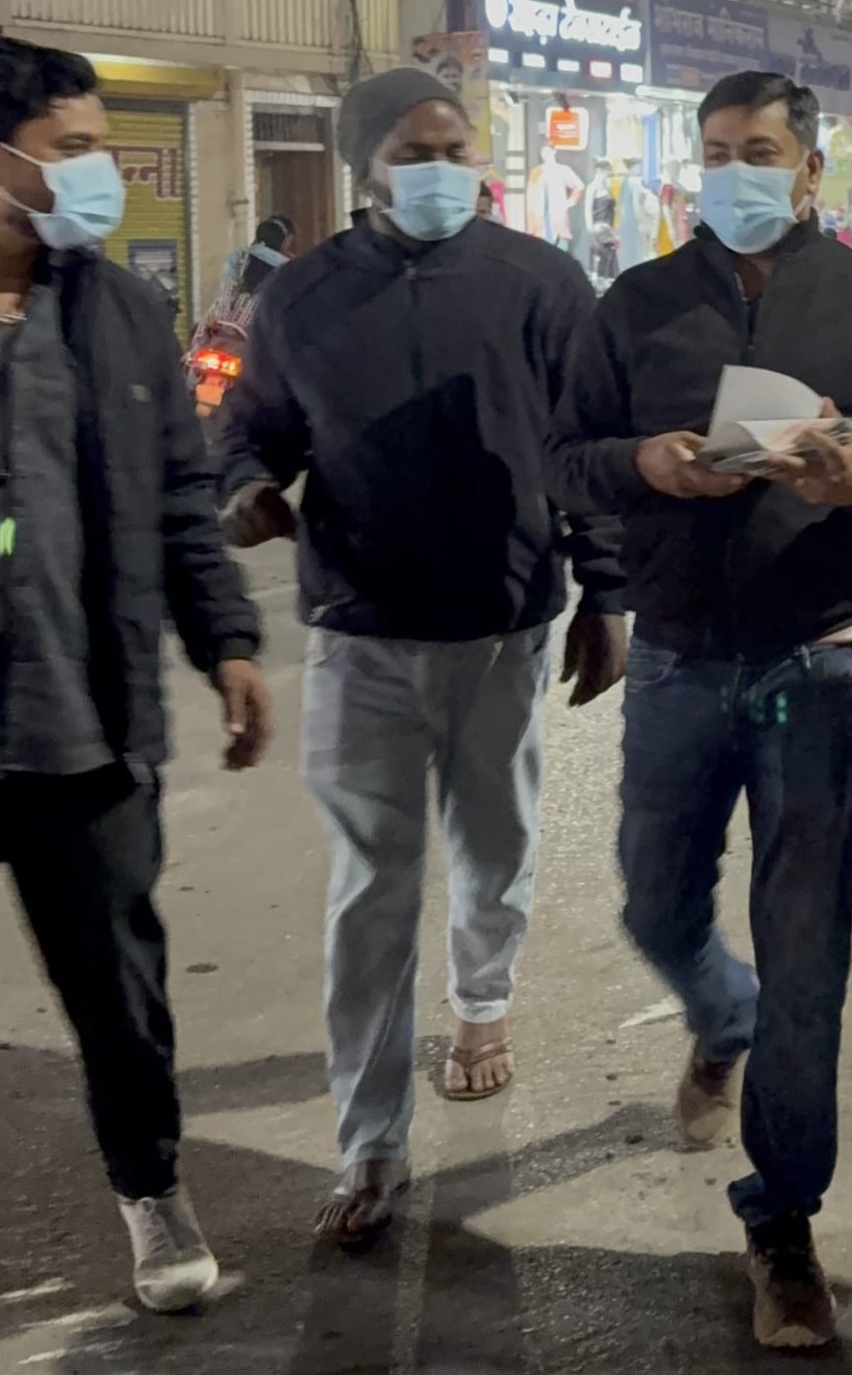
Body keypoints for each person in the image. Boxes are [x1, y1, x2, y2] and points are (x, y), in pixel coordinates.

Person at [550, 70, 852, 1349]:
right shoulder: (636, 304)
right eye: (719, 150)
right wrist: (646, 463)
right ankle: (717, 1017)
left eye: (764, 150)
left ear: (811, 169)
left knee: (806, 957)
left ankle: (783, 1219)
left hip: (817, 669)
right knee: (652, 902)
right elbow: (567, 457)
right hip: (678, 664)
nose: (738, 172)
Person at [219, 70, 627, 1249]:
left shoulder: (541, 283)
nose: (447, 169)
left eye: (459, 147)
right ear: (367, 168)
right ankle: (371, 1140)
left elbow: (587, 444)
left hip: (503, 624)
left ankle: (482, 1000)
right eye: (419, 150)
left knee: (495, 839)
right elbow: (252, 430)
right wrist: (244, 488)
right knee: (371, 889)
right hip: (359, 630)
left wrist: (605, 590)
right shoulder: (301, 297)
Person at [0, 40, 272, 1311]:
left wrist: (228, 641)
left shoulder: (125, 315)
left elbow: (181, 499)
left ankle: (152, 1189)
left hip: (83, 727)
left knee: (121, 996)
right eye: (75, 147)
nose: (101, 171)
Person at [189, 213, 295, 352]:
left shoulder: (240, 256)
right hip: (251, 340)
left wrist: (221, 323)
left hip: (219, 329)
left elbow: (226, 294)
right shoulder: (288, 268)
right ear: (282, 242)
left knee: (193, 357)